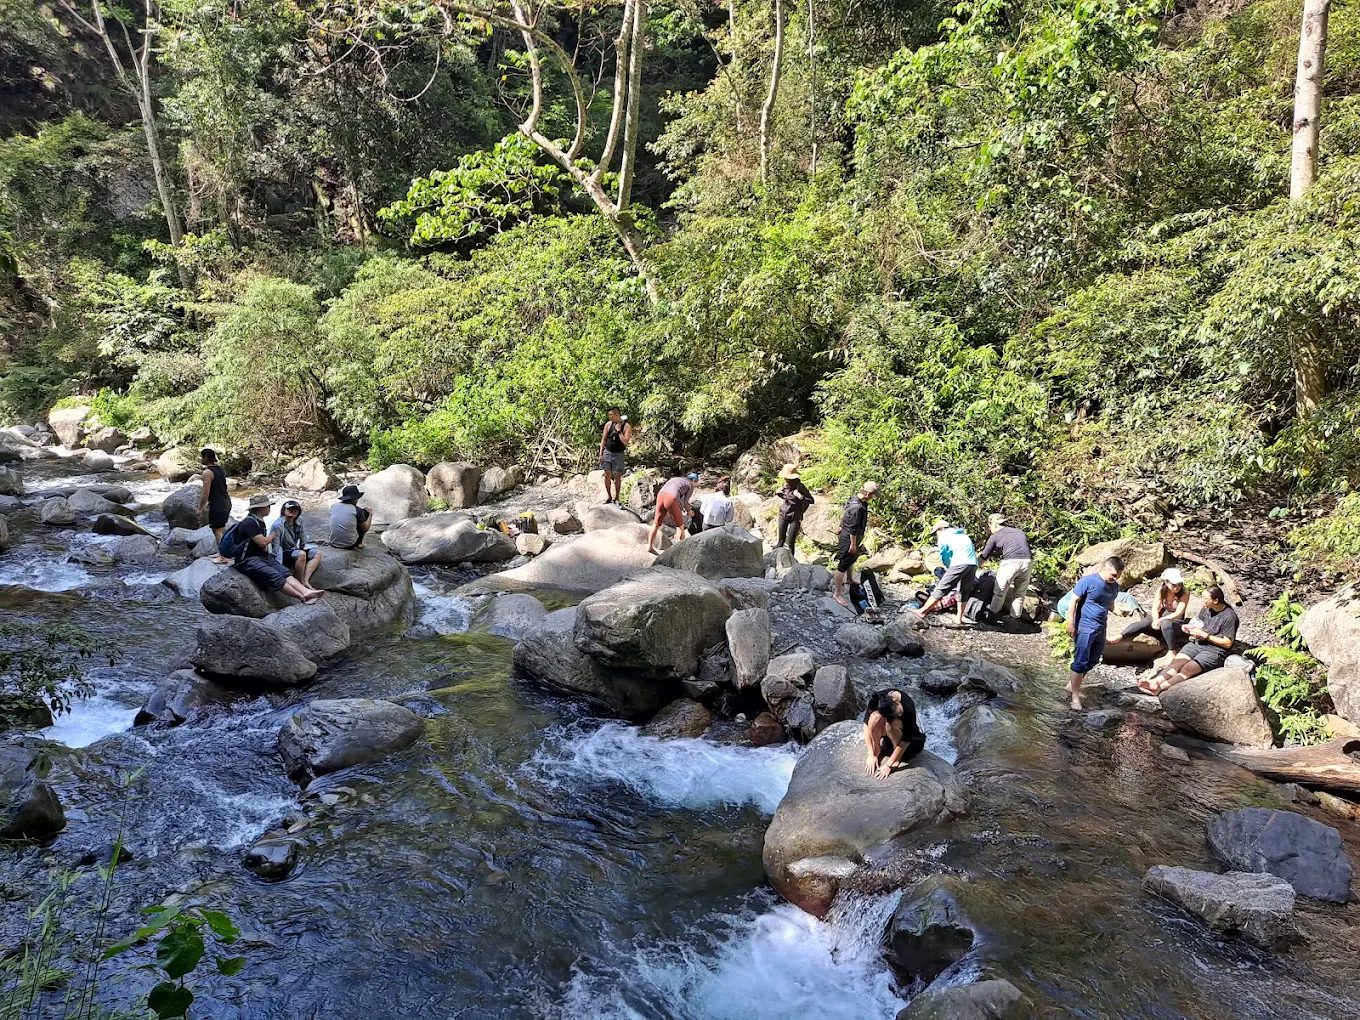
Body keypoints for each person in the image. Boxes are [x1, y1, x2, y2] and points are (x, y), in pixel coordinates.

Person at [1138, 585, 1239, 694]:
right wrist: (1189, 628)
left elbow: (1228, 643)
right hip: (1197, 643)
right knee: (1176, 662)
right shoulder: (1205, 610)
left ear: (1216, 600)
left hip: (1215, 651)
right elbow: (1199, 625)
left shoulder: (1230, 616)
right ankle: (1154, 681)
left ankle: (1160, 687)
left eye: (1205, 598)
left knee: (1187, 668)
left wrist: (1206, 636)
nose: (1202, 601)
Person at [231, 494, 325, 603]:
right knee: (275, 575)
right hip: (247, 560)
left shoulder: (259, 521)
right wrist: (271, 536)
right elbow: (262, 543)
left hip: (261, 556)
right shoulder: (250, 522)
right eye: (268, 506)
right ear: (260, 508)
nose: (269, 509)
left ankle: (306, 591)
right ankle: (302, 597)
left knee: (284, 572)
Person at [1065, 556, 1125, 711]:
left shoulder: (1114, 586)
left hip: (1101, 627)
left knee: (1093, 660)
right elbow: (1073, 602)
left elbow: (1109, 603)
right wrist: (1070, 623)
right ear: (1105, 568)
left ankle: (1072, 685)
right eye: (1112, 575)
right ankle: (1075, 696)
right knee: (1080, 660)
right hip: (1085, 626)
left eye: (1117, 576)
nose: (1114, 578)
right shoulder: (1088, 581)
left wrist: (1118, 610)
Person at [910, 520, 979, 626]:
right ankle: (958, 619)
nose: (936, 536)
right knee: (964, 591)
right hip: (973, 564)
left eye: (935, 533)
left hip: (959, 563)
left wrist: (948, 567)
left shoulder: (944, 537)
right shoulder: (963, 535)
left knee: (941, 588)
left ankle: (922, 611)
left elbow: (944, 556)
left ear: (940, 530)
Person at [1110, 567, 1190, 653]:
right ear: (1166, 582)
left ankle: (1172, 651)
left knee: (1166, 623)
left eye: (1179, 584)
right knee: (1147, 621)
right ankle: (1121, 636)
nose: (1177, 587)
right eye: (1174, 585)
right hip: (1161, 618)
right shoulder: (1161, 591)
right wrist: (1155, 619)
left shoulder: (1184, 593)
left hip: (1175, 622)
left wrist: (1161, 619)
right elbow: (1155, 607)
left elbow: (1178, 613)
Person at [863, 689, 926, 780]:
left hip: (910, 741)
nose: (899, 715)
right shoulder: (876, 698)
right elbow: (866, 725)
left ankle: (898, 758)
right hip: (889, 737)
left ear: (896, 701)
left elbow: (906, 739)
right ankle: (877, 748)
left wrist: (889, 764)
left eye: (899, 713)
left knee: (892, 723)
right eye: (896, 714)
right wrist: (871, 753)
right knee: (874, 717)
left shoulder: (908, 706)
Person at [832, 481, 877, 606]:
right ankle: (837, 594)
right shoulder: (857, 507)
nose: (873, 498)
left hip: (850, 535)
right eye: (873, 495)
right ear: (868, 494)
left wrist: (840, 526)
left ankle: (850, 579)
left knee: (851, 559)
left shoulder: (857, 500)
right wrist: (853, 544)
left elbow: (846, 514)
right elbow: (853, 527)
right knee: (843, 564)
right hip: (849, 538)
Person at [979, 513, 1032, 619]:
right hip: (1028, 561)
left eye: (989, 525)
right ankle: (1014, 618)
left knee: (1000, 591)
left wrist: (972, 570)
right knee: (1020, 593)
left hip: (1011, 562)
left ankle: (992, 615)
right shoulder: (1019, 532)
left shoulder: (995, 536)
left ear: (993, 524)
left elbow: (984, 556)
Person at [269, 499, 322, 585]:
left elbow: (302, 534)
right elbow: (276, 547)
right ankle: (299, 582)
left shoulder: (299, 520)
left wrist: (303, 546)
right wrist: (278, 566)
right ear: (284, 510)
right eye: (289, 509)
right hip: (284, 552)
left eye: (295, 509)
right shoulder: (278, 525)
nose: (292, 511)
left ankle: (305, 580)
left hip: (294, 549)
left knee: (317, 553)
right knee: (301, 554)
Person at [648, 471, 698, 555]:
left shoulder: (676, 479)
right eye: (696, 482)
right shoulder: (690, 485)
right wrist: (690, 512)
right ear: (694, 480)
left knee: (656, 524)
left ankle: (649, 546)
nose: (696, 484)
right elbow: (685, 503)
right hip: (671, 498)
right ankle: (678, 551)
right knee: (680, 525)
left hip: (660, 495)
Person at [197, 448, 232, 564]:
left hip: (218, 503)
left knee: (217, 530)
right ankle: (221, 552)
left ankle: (223, 556)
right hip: (226, 501)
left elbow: (205, 492)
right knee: (220, 529)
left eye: (202, 457)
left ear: (206, 457)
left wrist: (200, 508)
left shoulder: (207, 473)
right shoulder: (220, 469)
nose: (201, 459)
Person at [773, 464, 814, 557]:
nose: (785, 479)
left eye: (786, 478)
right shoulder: (785, 485)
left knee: (791, 542)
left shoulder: (800, 487)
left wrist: (800, 496)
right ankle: (776, 556)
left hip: (795, 517)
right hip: (783, 514)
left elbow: (811, 500)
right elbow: (787, 498)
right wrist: (779, 493)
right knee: (781, 541)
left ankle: (791, 560)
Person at [597, 410, 633, 505]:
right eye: (609, 415)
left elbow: (626, 442)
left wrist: (619, 431)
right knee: (607, 474)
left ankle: (616, 498)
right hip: (607, 452)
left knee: (617, 476)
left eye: (611, 415)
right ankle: (609, 496)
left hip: (619, 454)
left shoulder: (626, 426)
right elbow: (604, 439)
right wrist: (600, 454)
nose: (610, 417)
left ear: (617, 415)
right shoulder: (608, 425)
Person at [329, 484, 371, 550]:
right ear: (354, 499)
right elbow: (365, 528)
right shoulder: (357, 510)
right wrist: (370, 514)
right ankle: (359, 543)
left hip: (333, 542)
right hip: (349, 545)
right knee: (365, 513)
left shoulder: (334, 506)